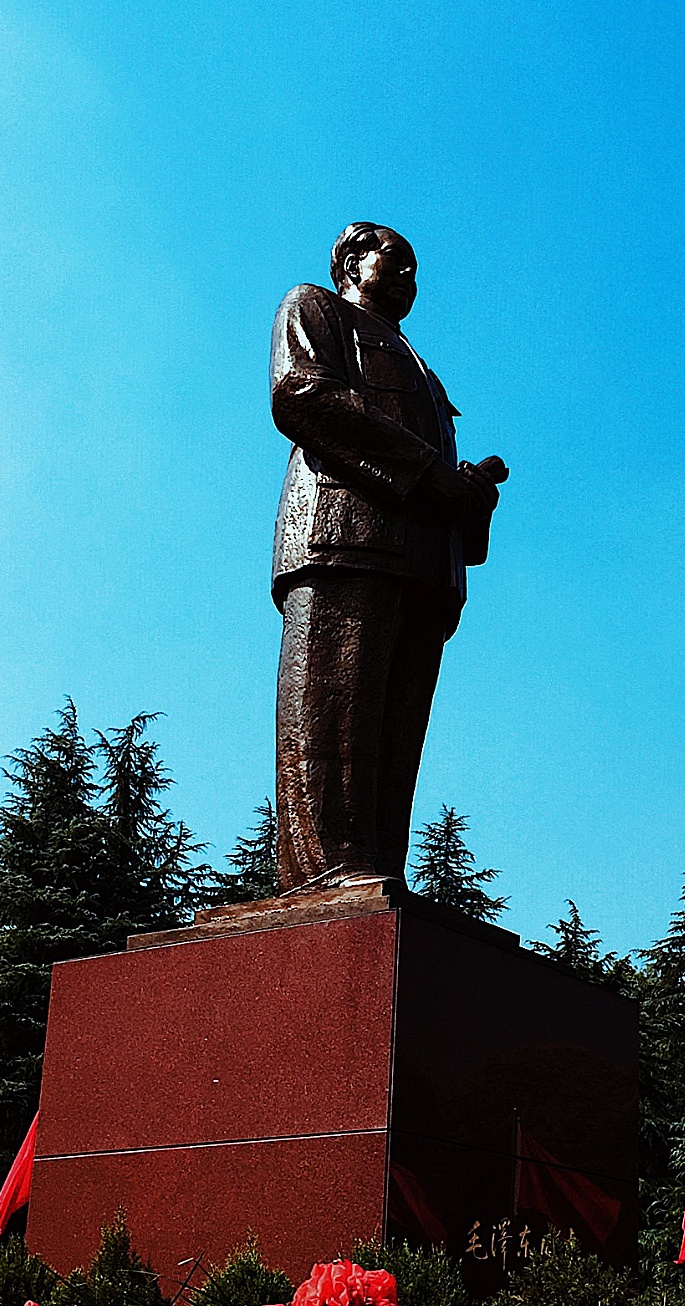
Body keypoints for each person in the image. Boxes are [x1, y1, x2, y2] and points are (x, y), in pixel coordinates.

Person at [269, 223, 508, 890]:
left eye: (415, 269)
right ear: (352, 261)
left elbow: (436, 477)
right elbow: (303, 395)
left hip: (424, 567)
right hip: (341, 540)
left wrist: (469, 496)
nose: (410, 278)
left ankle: (376, 869)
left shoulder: (423, 370)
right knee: (333, 713)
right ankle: (323, 867)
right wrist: (434, 475)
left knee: (395, 739)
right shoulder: (317, 308)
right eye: (396, 261)